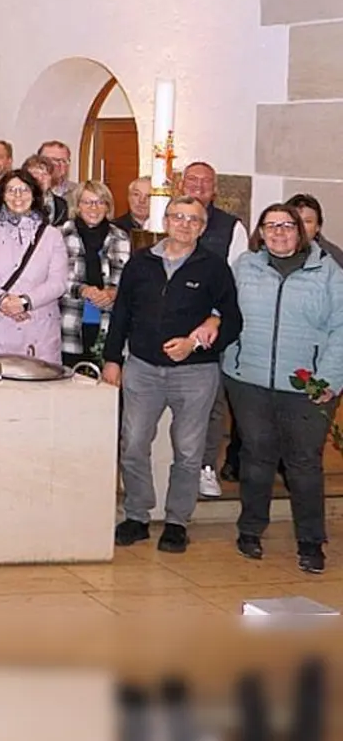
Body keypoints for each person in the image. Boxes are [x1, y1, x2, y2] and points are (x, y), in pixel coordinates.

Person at [104, 195, 241, 555]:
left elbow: (232, 321)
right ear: (165, 221)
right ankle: (137, 514)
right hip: (143, 369)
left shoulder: (214, 268)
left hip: (194, 374)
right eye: (178, 217)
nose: (184, 224)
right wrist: (112, 359)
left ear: (203, 227)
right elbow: (121, 314)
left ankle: (178, 521)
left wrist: (195, 343)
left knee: (189, 450)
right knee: (132, 444)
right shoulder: (140, 263)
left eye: (193, 220)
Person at [222, 203, 343, 574]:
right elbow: (222, 312)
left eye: (287, 226)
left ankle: (310, 541)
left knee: (303, 463)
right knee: (256, 458)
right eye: (270, 226)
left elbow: (341, 329)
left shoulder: (328, 272)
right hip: (249, 380)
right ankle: (250, 530)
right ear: (261, 231)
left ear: (302, 231)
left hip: (308, 384)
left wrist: (330, 379)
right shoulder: (245, 266)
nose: (278, 232)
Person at [177, 161, 250, 497]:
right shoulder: (170, 218)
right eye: (192, 180)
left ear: (215, 188)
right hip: (169, 324)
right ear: (181, 184)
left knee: (209, 403)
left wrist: (217, 317)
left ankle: (205, 466)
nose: (198, 186)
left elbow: (237, 283)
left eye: (205, 182)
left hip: (211, 326)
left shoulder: (231, 227)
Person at [0, 169, 69, 365]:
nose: (17, 196)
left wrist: (24, 302)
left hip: (39, 326)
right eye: (11, 190)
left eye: (24, 190)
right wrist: (2, 300)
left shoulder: (51, 235)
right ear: (2, 195)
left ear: (34, 195)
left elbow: (58, 283)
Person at [60, 182, 132, 367]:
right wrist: (82, 290)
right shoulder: (59, 235)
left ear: (108, 207)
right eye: (88, 202)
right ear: (77, 206)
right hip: (68, 326)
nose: (94, 208)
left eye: (100, 202)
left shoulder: (121, 237)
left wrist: (113, 293)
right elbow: (51, 280)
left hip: (108, 326)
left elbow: (128, 281)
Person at [288, 193, 343, 263]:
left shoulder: (333, 257)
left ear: (318, 226)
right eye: (295, 220)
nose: (300, 226)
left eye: (307, 221)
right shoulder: (271, 250)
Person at [21, 155, 70, 227]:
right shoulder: (18, 201)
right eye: (35, 174)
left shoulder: (61, 204)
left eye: (45, 174)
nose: (40, 178)